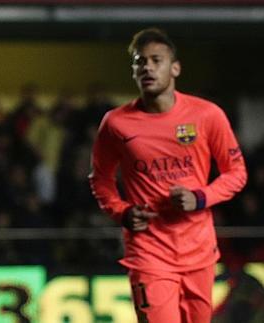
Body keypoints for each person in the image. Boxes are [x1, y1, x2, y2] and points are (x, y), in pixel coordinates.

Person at [89, 28, 247, 323]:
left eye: (155, 60)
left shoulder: (207, 115)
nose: (147, 67)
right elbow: (100, 179)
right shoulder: (116, 123)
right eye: (140, 62)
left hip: (198, 252)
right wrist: (121, 212)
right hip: (149, 252)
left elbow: (236, 172)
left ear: (175, 67)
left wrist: (200, 198)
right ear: (134, 71)